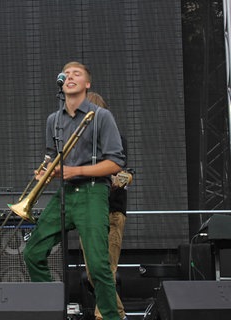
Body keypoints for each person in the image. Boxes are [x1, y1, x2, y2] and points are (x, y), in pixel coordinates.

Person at [22, 62, 127, 320]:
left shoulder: (101, 116)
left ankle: (112, 317)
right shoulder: (53, 120)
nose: (70, 77)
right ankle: (51, 309)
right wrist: (46, 172)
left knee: (99, 266)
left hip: (93, 193)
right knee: (33, 252)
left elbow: (115, 163)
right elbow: (52, 158)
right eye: (66, 74)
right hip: (66, 194)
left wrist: (75, 171)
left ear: (87, 84)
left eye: (76, 74)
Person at [80, 92, 130, 320]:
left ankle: (106, 316)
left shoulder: (115, 138)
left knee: (105, 271)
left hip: (110, 213)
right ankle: (118, 314)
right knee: (94, 273)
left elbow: (119, 174)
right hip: (88, 215)